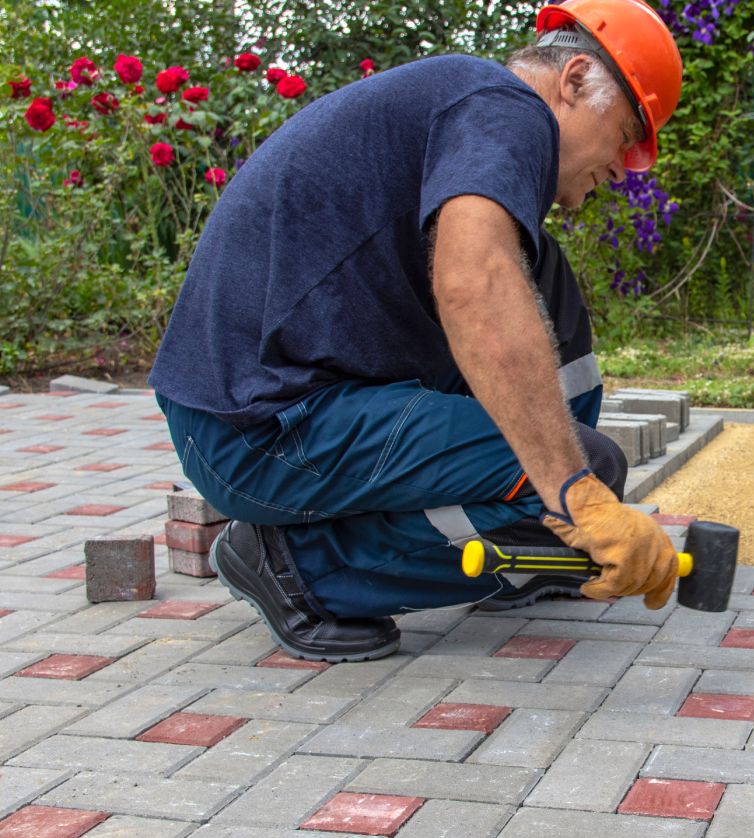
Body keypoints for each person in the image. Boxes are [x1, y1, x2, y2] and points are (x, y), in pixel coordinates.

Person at [148, 0, 685, 662]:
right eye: (627, 132)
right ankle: (301, 566)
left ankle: (540, 538)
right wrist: (575, 491)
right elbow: (473, 284)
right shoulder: (507, 107)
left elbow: (489, 280)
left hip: (274, 396)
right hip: (258, 430)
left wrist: (567, 495)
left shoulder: (468, 107)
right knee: (583, 471)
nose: (627, 165)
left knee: (542, 275)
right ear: (573, 81)